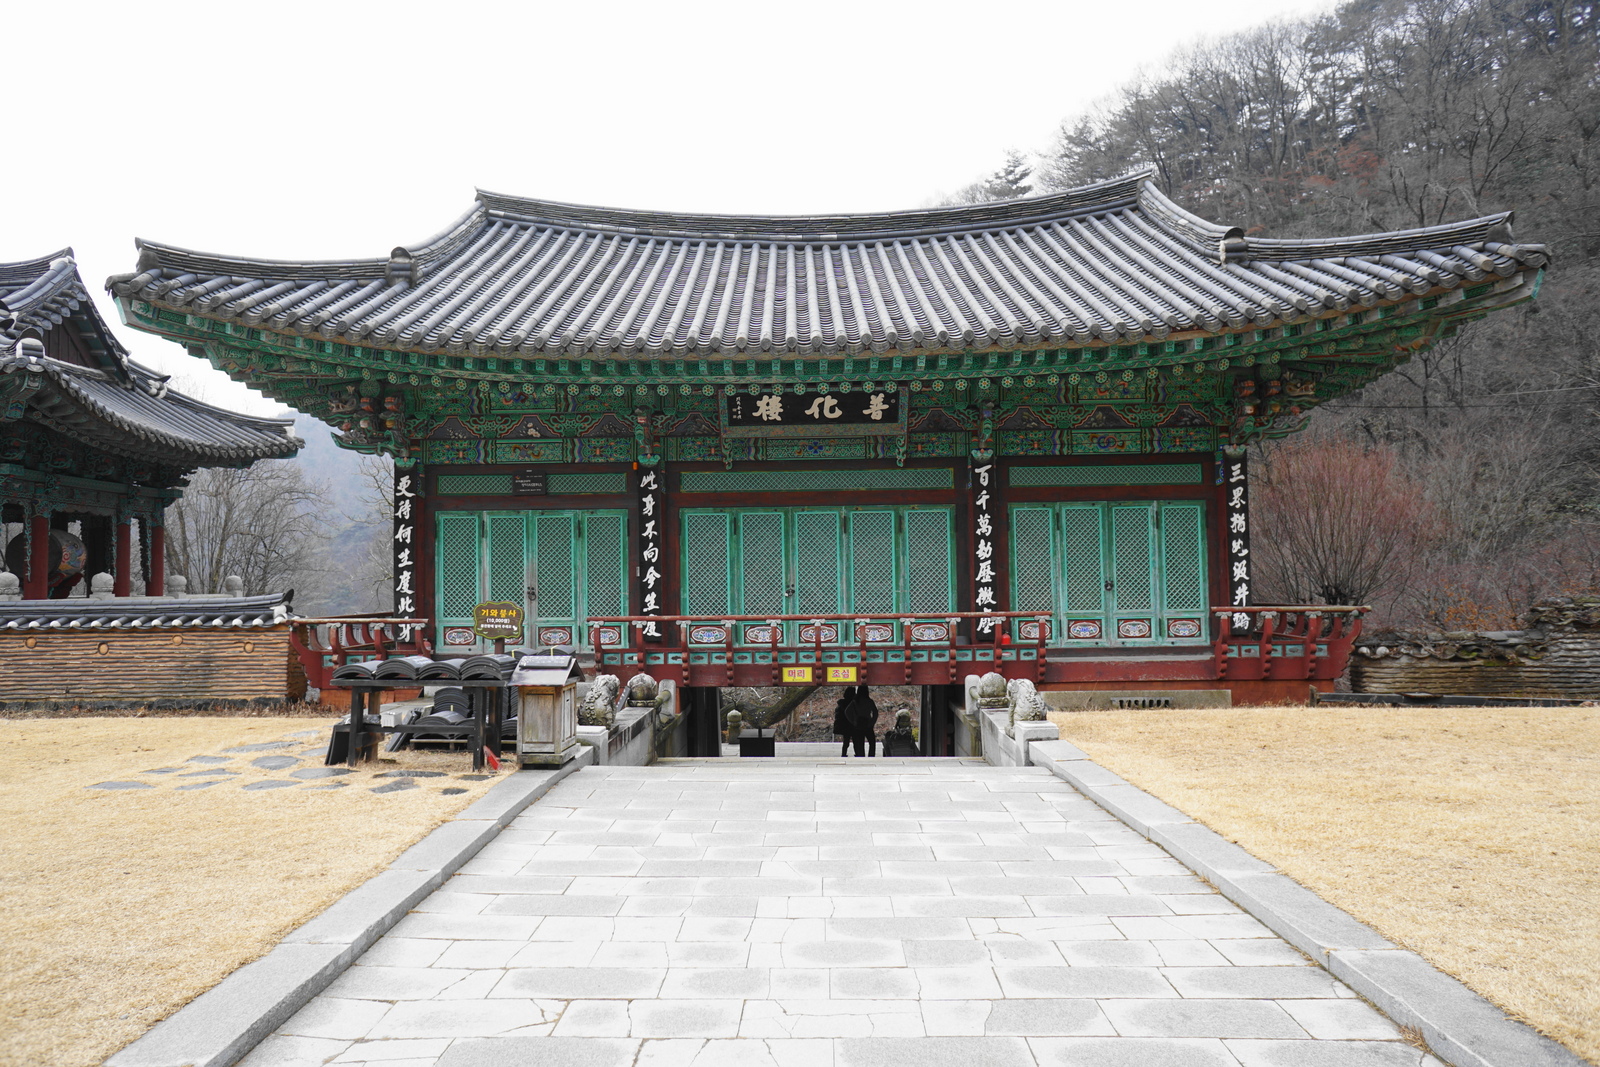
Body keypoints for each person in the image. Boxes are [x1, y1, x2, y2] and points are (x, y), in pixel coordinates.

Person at [846, 685, 881, 757]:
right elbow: (875, 712)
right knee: (872, 742)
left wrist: (853, 721)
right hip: (867, 722)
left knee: (860, 742)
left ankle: (861, 755)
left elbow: (847, 712)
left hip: (859, 722)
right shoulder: (869, 701)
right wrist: (872, 722)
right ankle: (871, 755)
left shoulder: (855, 701)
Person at [833, 686, 856, 757]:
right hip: (852, 724)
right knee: (855, 740)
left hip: (844, 725)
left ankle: (844, 753)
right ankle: (858, 753)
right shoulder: (853, 703)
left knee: (846, 741)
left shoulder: (841, 704)